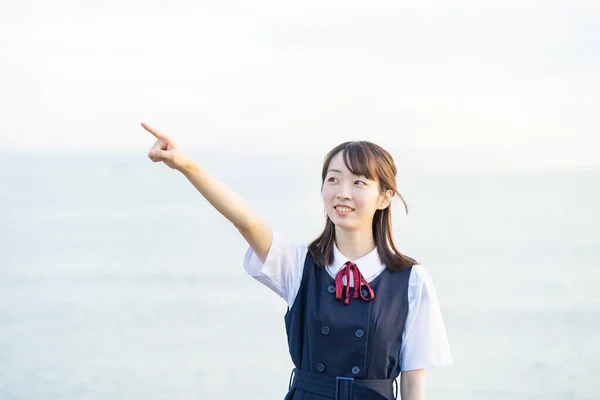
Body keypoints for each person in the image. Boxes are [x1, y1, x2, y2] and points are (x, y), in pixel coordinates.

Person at [142, 122, 453, 400]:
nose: (342, 193)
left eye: (359, 183)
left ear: (384, 197)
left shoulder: (410, 280)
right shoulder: (299, 265)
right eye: (333, 179)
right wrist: (185, 165)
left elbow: (413, 383)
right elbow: (246, 221)